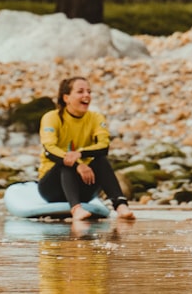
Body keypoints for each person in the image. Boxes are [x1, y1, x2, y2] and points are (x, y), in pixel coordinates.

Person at [38, 76, 135, 222]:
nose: (87, 95)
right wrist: (78, 164)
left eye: (89, 92)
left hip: (85, 187)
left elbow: (103, 146)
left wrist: (81, 153)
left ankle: (120, 205)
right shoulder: (52, 118)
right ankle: (76, 209)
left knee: (101, 161)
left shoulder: (95, 118)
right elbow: (49, 149)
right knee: (66, 163)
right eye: (80, 92)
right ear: (66, 97)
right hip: (52, 189)